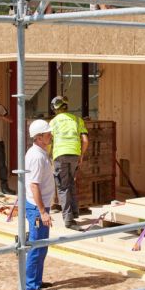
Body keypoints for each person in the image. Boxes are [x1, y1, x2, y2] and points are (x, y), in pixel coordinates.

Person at [24, 119, 56, 290]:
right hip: (38, 208)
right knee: (37, 246)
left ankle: (36, 281)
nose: (50, 135)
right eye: (47, 133)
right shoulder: (36, 156)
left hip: (40, 206)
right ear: (38, 137)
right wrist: (43, 211)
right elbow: (34, 185)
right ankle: (31, 285)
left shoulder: (40, 152)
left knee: (41, 246)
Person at [49, 95, 88, 229]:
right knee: (71, 182)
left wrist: (49, 157)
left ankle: (68, 220)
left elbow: (49, 141)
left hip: (60, 155)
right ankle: (74, 213)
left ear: (55, 108)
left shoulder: (53, 122)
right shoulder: (78, 120)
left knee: (63, 187)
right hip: (74, 155)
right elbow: (85, 141)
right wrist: (81, 155)